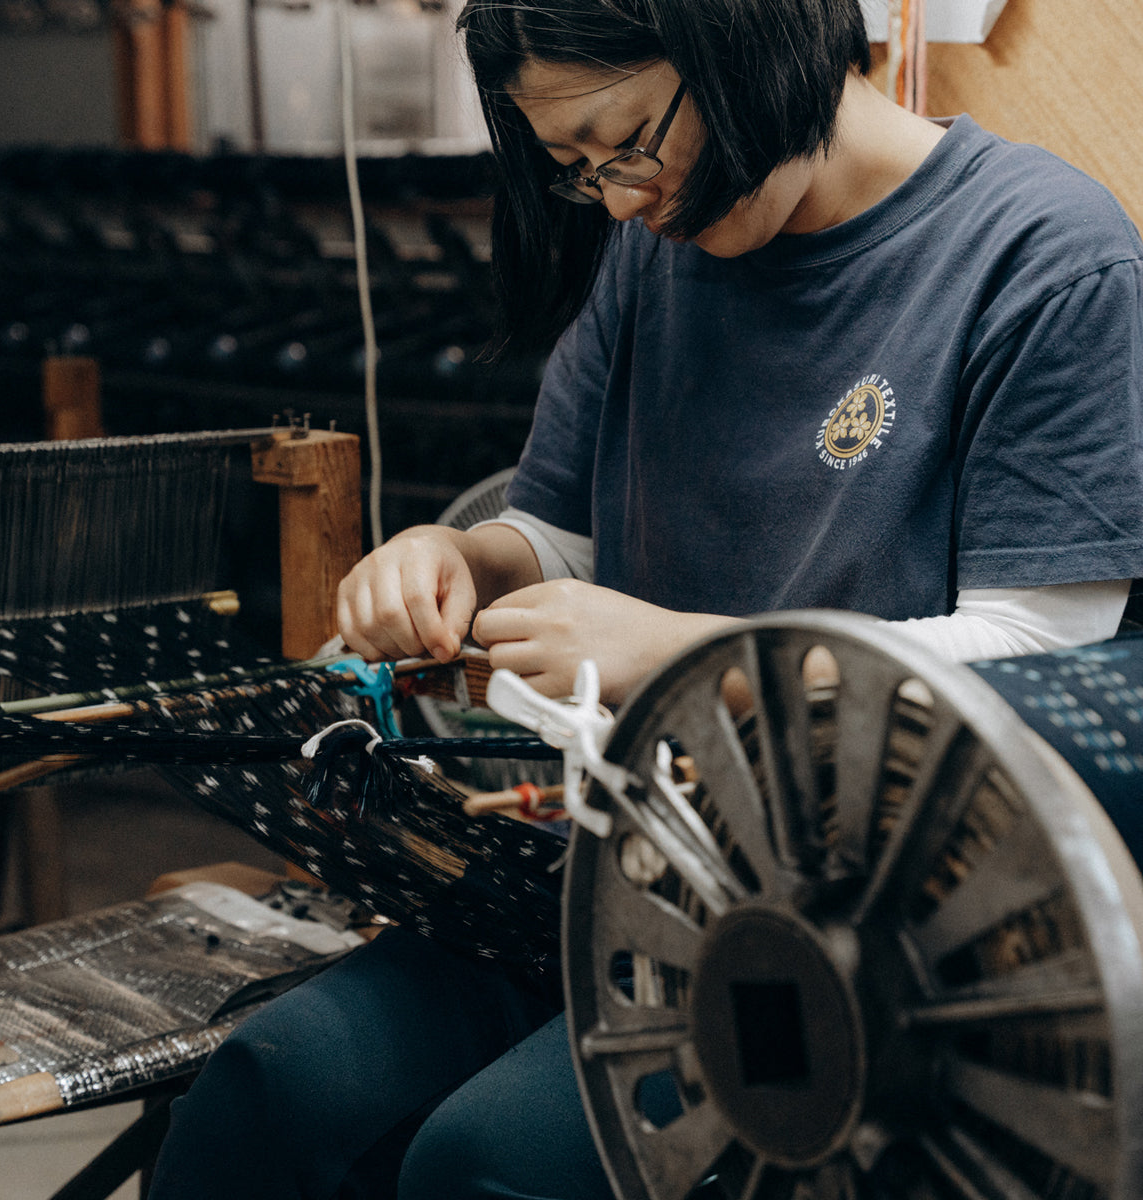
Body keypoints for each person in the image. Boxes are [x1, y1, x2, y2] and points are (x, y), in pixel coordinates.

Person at [149, 1, 1143, 1196]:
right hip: (618, 863)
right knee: (273, 1094)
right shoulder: (656, 252)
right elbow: (556, 536)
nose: (621, 199)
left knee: (487, 1167)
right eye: (576, 169)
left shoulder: (1048, 260)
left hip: (864, 934)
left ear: (744, 37)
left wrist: (684, 655)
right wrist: (460, 559)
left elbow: (1049, 666)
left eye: (626, 141)